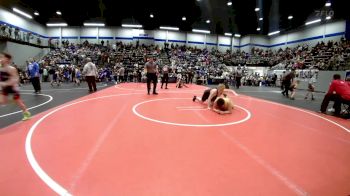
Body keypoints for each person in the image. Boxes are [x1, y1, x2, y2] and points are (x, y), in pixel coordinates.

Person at [0, 52, 31, 121]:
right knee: (2, 101)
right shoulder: (1, 68)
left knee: (18, 102)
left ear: (7, 59)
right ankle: (11, 100)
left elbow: (16, 79)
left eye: (2, 57)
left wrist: (5, 83)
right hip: (5, 88)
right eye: (0, 57)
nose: (1, 59)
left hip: (13, 88)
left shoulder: (11, 69)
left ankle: (26, 113)